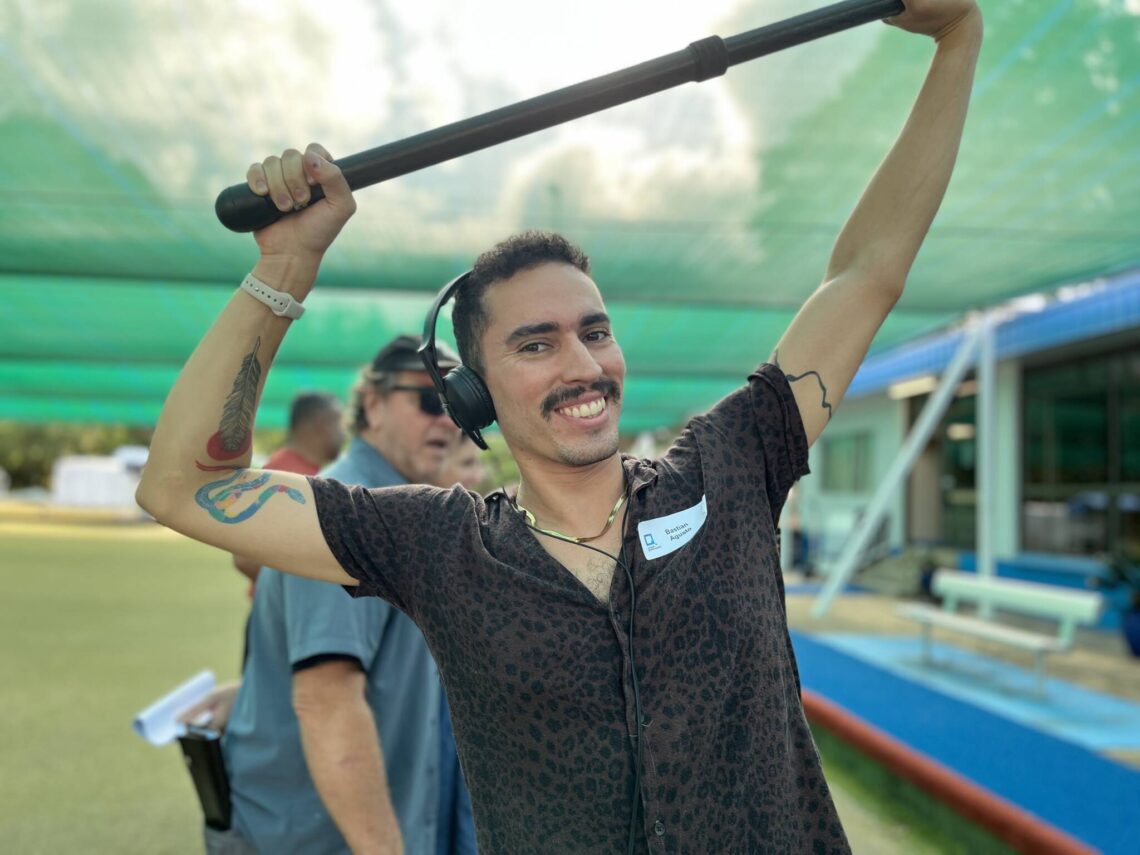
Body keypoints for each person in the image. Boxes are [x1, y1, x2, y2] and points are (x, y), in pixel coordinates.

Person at [139, 2, 982, 850]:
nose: (582, 364)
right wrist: (287, 267)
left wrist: (957, 40)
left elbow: (867, 273)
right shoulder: (438, 545)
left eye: (595, 330)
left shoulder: (726, 466)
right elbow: (184, 487)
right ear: (476, 394)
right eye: (535, 343)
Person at [181, 336, 476, 855]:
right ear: (373, 405)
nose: (447, 421)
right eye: (429, 400)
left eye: (454, 403)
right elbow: (327, 702)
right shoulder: (342, 512)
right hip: (310, 838)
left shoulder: (401, 509)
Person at [231, 391, 344, 587]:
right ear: (322, 426)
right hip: (282, 615)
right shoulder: (281, 478)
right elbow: (244, 559)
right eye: (338, 424)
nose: (343, 434)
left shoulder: (315, 476)